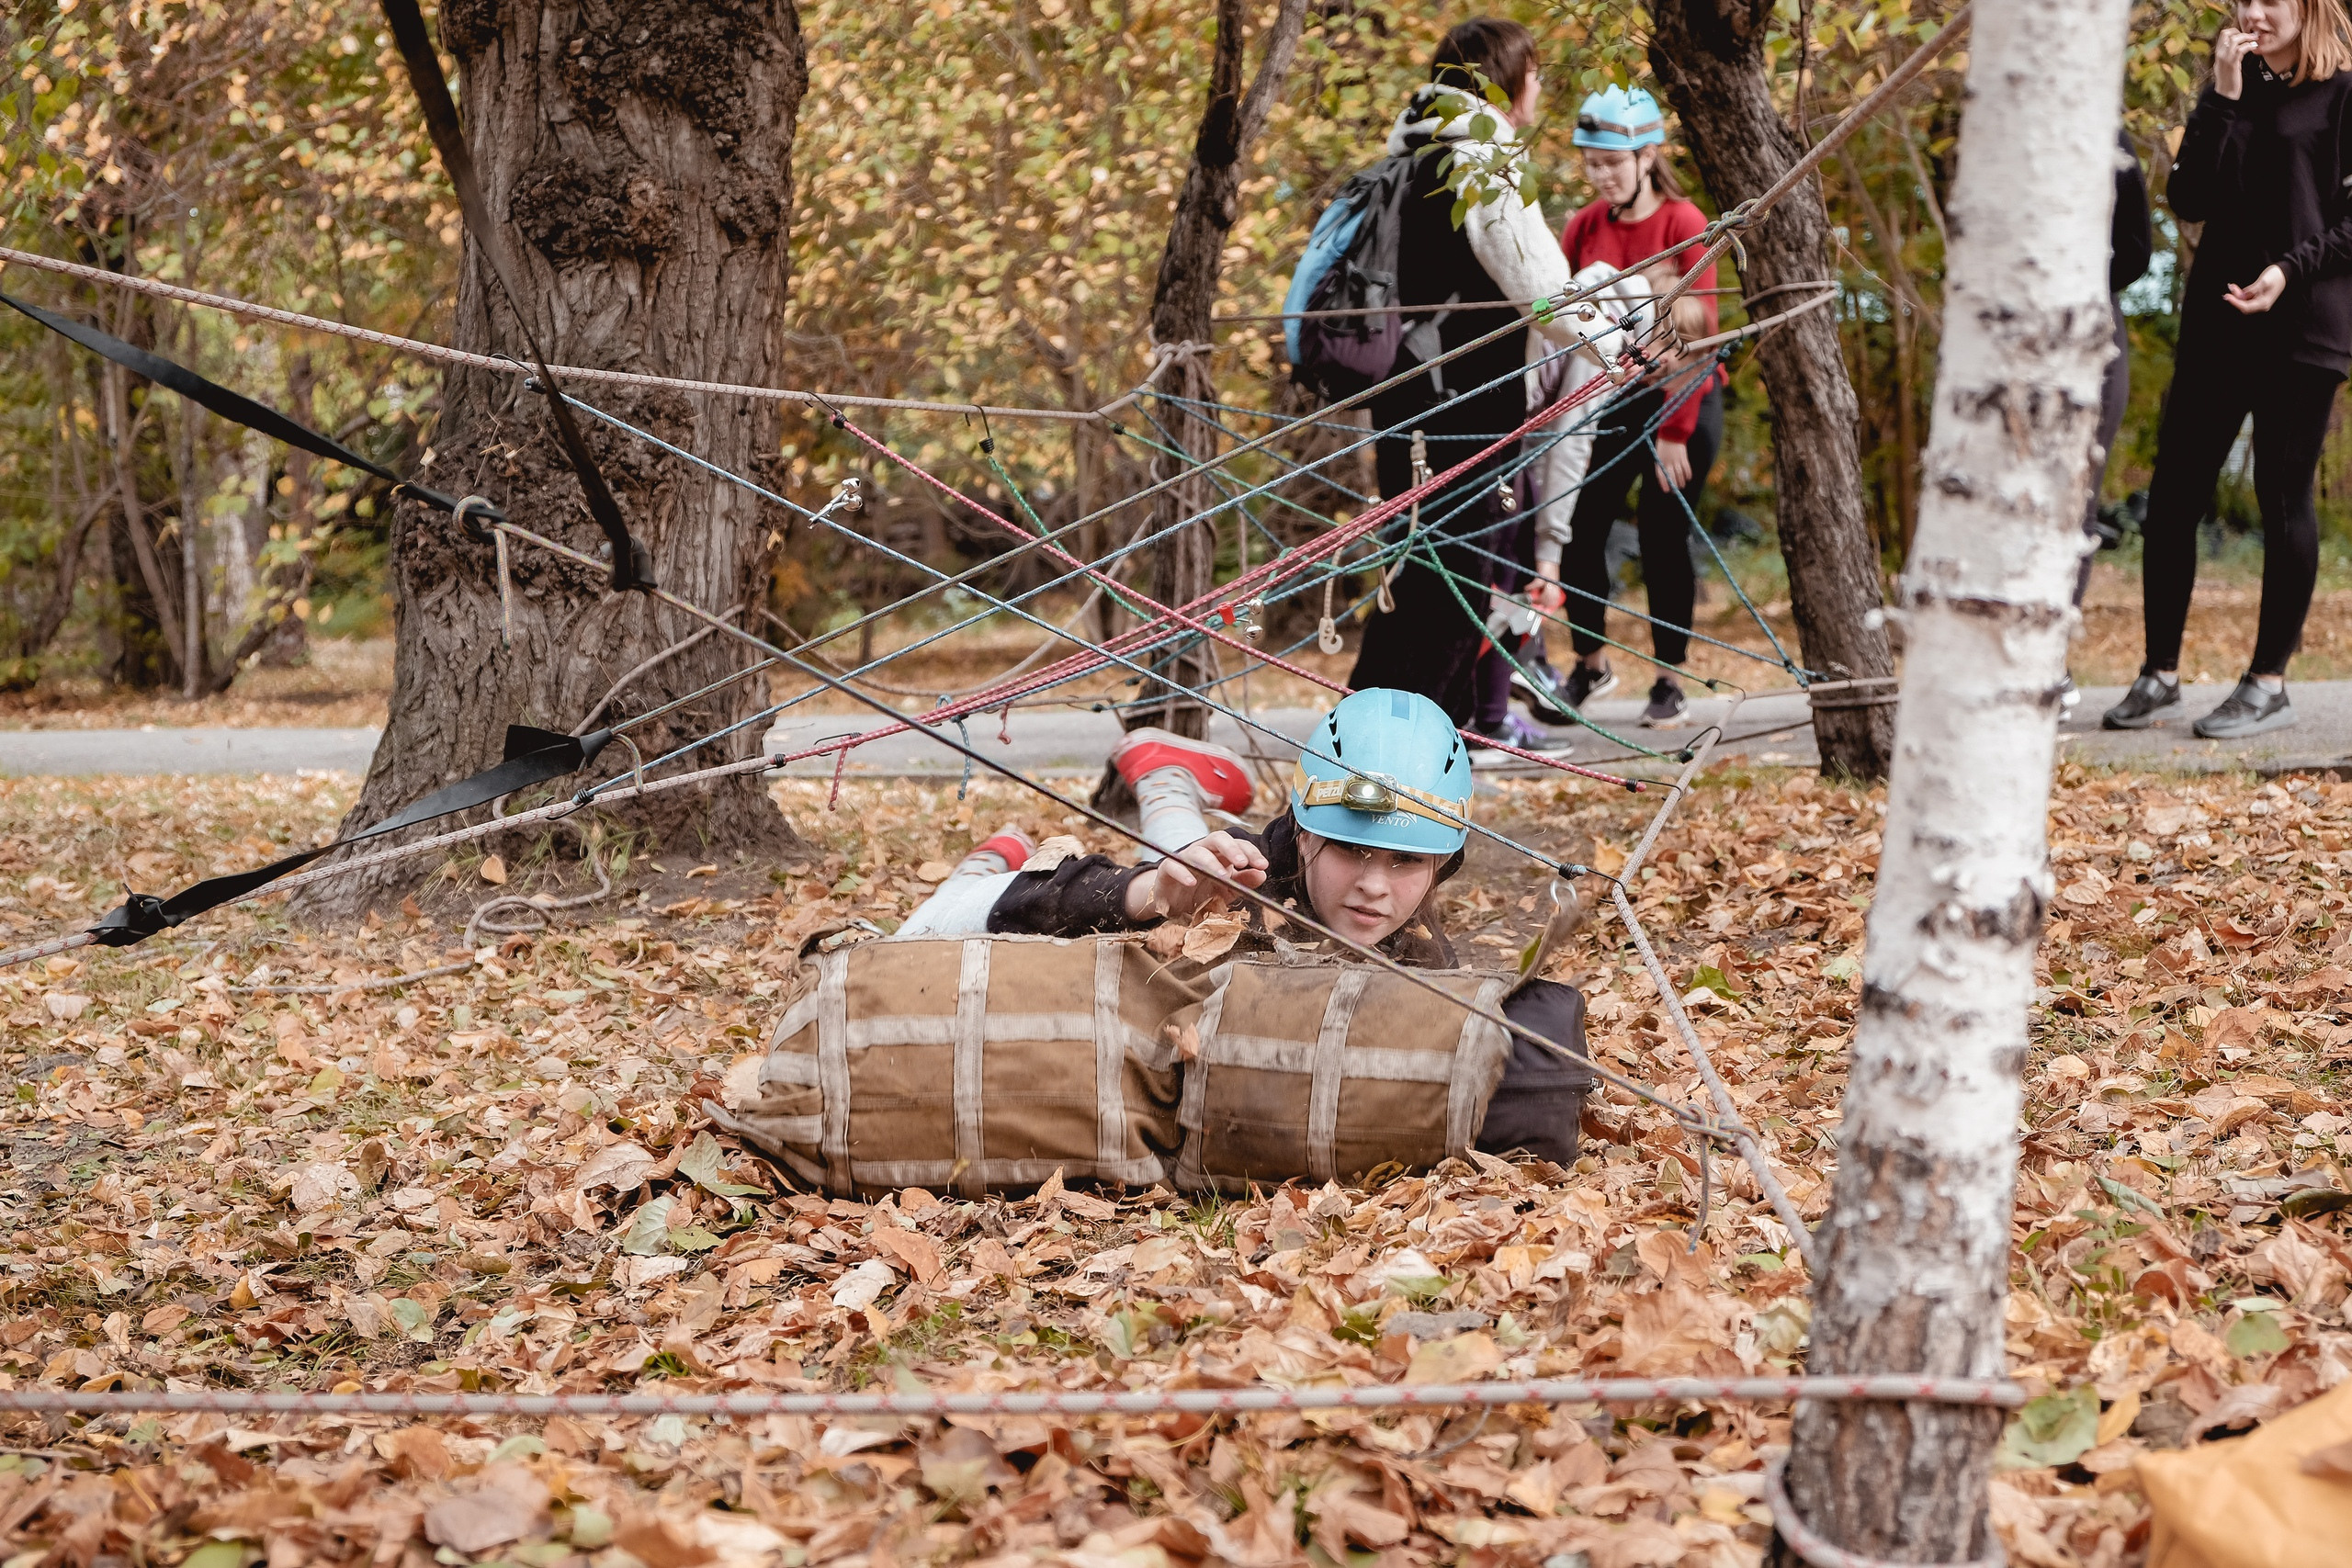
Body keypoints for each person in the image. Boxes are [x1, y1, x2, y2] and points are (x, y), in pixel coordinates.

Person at [894, 690, 1591, 1163]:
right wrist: (1149, 894)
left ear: (1445, 861)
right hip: (1034, 891)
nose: (1376, 885)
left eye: (1408, 861)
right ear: (1305, 831)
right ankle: (997, 852)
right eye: (1351, 849)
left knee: (1185, 852)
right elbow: (991, 920)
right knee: (916, 935)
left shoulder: (1422, 949)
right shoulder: (1245, 877)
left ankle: (1166, 774)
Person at [2103, 0, 2352, 739]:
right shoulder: (2232, 86)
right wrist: (2220, 94)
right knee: (2174, 497)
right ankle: (2160, 673)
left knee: (2284, 500)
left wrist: (2287, 270)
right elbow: (2189, 199)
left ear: (2311, 8)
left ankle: (2267, 681)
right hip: (2218, 323)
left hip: (2304, 324)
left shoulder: (2344, 94)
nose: (2252, 11)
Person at [1343, 18, 1589, 749]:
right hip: (1462, 406)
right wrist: (1619, 345)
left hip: (1403, 405)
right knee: (1451, 592)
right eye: (1534, 72)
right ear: (1507, 77)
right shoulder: (1479, 158)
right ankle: (1398, 761)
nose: (1539, 86)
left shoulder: (1409, 156)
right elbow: (1542, 289)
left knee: (1417, 580)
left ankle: (1377, 751)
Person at [1539, 84, 1728, 729]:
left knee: (1661, 532)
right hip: (1608, 400)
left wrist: (1674, 431)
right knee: (1580, 528)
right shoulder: (1584, 227)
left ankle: (1669, 680)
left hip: (1682, 399)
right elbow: (1560, 318)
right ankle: (1590, 664)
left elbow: (1703, 329)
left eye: (1613, 163)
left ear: (1648, 157)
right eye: (1592, 163)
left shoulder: (1684, 222)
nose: (1602, 175)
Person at [2061, 132, 2155, 710]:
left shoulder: (2110, 140)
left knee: (2077, 502)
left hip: (2095, 333)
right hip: (2008, 337)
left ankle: (2050, 658)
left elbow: (2138, 250)